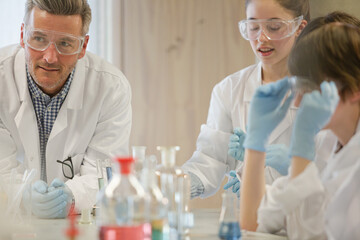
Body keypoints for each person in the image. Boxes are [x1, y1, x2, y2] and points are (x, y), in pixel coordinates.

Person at [182, 0, 335, 199]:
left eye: (274, 27)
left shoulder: (325, 87)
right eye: (253, 27)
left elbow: (338, 170)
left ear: (299, 27)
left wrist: (293, 165)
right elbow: (209, 160)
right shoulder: (229, 89)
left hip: (307, 218)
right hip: (250, 221)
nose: (261, 38)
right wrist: (174, 185)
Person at [0, 0, 131, 218]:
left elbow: (105, 174)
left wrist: (72, 196)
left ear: (83, 47)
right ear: (23, 35)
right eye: (39, 38)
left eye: (65, 43)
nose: (50, 57)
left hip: (77, 224)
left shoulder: (111, 88)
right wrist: (21, 193)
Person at [239, 19, 360, 239]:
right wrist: (256, 143)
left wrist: (301, 148)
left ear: (353, 88)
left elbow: (315, 234)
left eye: (310, 87)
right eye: (299, 87)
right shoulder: (327, 143)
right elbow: (254, 221)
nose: (297, 103)